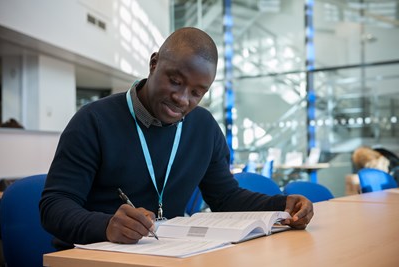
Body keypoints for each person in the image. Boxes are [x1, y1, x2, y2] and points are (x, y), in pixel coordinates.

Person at [39, 27, 313, 250]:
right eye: (175, 81)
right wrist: (106, 224)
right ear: (154, 63)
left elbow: (226, 197)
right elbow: (54, 206)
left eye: (197, 92)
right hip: (93, 256)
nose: (182, 99)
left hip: (165, 253)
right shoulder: (94, 121)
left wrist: (281, 205)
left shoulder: (204, 127)